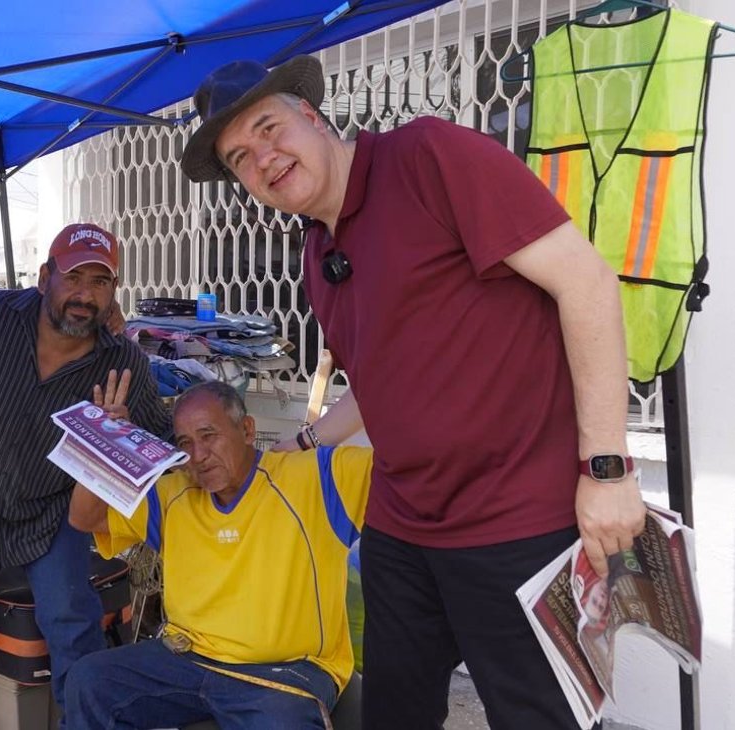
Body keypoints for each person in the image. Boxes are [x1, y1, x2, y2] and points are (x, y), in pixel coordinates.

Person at [179, 56, 647, 729]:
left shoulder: (430, 155)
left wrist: (607, 470)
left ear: (311, 116)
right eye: (241, 158)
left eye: (269, 128)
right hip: (403, 527)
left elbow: (587, 283)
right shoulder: (317, 254)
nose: (265, 159)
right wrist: (308, 439)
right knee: (393, 714)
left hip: (518, 519)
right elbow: (380, 381)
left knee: (541, 717)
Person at [0, 223, 171, 730]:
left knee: (72, 624)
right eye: (74, 277)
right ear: (45, 276)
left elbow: (157, 446)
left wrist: (120, 436)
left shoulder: (123, 362)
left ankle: (84, 721)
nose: (85, 295)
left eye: (100, 283)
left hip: (53, 512)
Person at [64, 380, 371, 730]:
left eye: (208, 435)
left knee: (281, 721)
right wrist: (102, 446)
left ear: (247, 429)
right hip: (188, 659)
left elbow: (404, 457)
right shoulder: (173, 493)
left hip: (282, 671)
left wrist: (310, 439)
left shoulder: (315, 477)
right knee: (89, 680)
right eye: (185, 443)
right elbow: (84, 518)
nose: (198, 455)